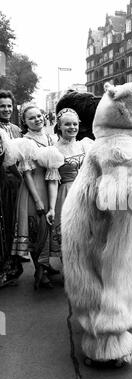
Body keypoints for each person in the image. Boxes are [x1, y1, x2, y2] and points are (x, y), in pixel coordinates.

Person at [11, 105, 64, 290]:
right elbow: (26, 174)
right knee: (37, 229)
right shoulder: (24, 142)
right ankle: (39, 273)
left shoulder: (52, 138)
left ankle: (46, 265)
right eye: (31, 118)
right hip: (34, 187)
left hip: (52, 185)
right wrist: (37, 200)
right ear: (24, 122)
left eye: (39, 115)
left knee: (50, 228)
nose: (37, 119)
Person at [49, 108, 93, 258]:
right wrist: (51, 207)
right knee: (68, 237)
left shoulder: (85, 145)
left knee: (86, 236)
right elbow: (53, 181)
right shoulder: (53, 150)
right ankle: (69, 273)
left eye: (75, 124)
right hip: (66, 194)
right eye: (67, 124)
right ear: (59, 126)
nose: (72, 127)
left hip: (85, 193)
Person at [0, 90, 24, 288]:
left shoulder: (16, 129)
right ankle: (5, 268)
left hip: (18, 184)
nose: (6, 109)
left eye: (9, 105)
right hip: (2, 183)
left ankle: (14, 264)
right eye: (2, 106)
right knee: (5, 225)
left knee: (17, 224)